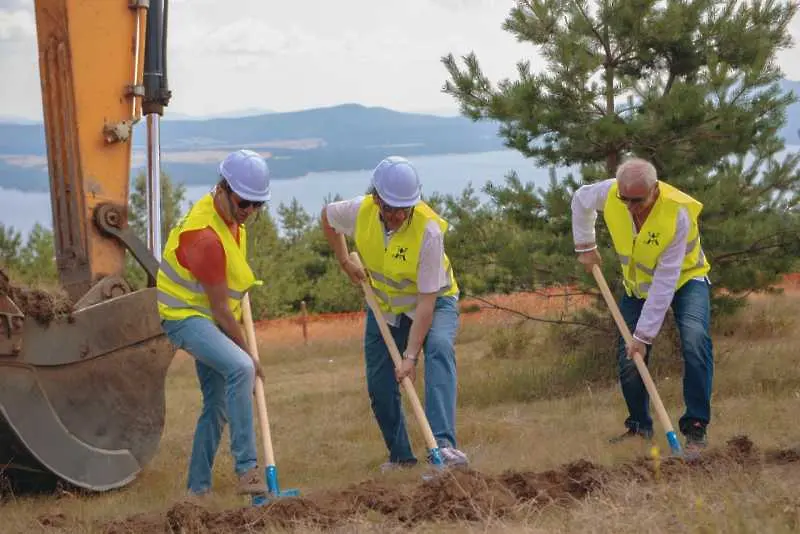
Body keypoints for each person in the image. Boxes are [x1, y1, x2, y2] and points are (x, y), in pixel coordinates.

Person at [321, 155, 469, 471]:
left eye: (405, 208)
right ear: (376, 199)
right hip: (386, 308)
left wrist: (411, 356)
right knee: (379, 383)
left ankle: (443, 447)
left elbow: (427, 303)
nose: (398, 215)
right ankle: (401, 458)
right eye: (390, 208)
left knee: (440, 348)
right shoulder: (359, 211)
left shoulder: (428, 230)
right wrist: (344, 260)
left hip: (434, 302)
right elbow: (327, 217)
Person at [570, 157, 714, 456]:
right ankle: (639, 427)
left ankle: (695, 428)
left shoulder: (677, 214)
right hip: (637, 287)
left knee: (695, 339)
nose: (630, 207)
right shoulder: (611, 193)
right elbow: (581, 200)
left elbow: (665, 283)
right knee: (628, 357)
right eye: (625, 200)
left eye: (638, 201)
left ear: (655, 190)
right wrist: (585, 245)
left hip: (685, 280)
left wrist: (644, 336)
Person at [156, 149, 270, 497]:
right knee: (240, 368)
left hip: (207, 313)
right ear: (223, 188)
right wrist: (251, 355)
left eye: (257, 204)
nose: (249, 210)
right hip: (184, 315)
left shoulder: (231, 219)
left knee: (218, 405)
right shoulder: (204, 236)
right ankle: (248, 472)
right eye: (244, 201)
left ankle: (197, 491)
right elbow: (220, 311)